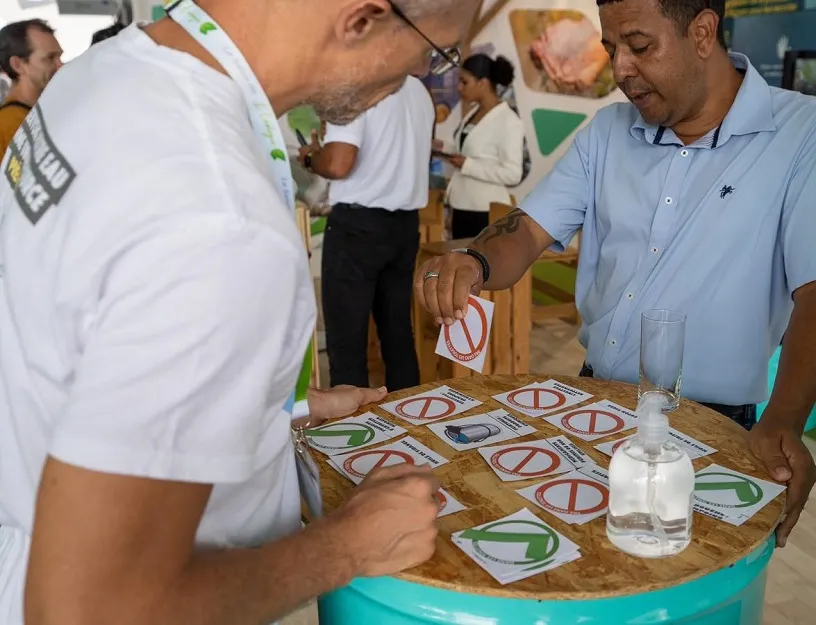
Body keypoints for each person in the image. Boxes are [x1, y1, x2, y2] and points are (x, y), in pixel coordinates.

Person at [0, 0, 477, 622]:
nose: (418, 75)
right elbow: (88, 610)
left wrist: (267, 410)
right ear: (362, 18)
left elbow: (79, 352)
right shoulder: (222, 222)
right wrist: (349, 546)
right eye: (434, 53)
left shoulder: (106, 71)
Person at [415, 0, 816, 549]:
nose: (620, 69)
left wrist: (786, 418)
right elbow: (528, 230)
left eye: (639, 46)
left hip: (716, 426)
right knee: (580, 563)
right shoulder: (608, 131)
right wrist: (476, 261)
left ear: (703, 32)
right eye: (611, 49)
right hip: (591, 402)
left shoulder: (805, 133)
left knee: (682, 575)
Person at [298, 75, 433, 391]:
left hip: (357, 228)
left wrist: (311, 157)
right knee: (398, 334)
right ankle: (406, 414)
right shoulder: (418, 90)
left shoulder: (357, 85)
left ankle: (353, 422)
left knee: (347, 342)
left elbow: (338, 164)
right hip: (404, 225)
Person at [437, 53, 524, 239]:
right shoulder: (474, 113)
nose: (459, 88)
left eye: (464, 82)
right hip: (460, 205)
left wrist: (468, 166)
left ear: (482, 83)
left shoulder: (509, 121)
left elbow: (513, 174)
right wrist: (442, 147)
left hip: (485, 211)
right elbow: (469, 150)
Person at [0, 19, 62, 152]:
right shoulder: (6, 126)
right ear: (17, 65)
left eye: (59, 57)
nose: (60, 65)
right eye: (50, 58)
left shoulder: (44, 112)